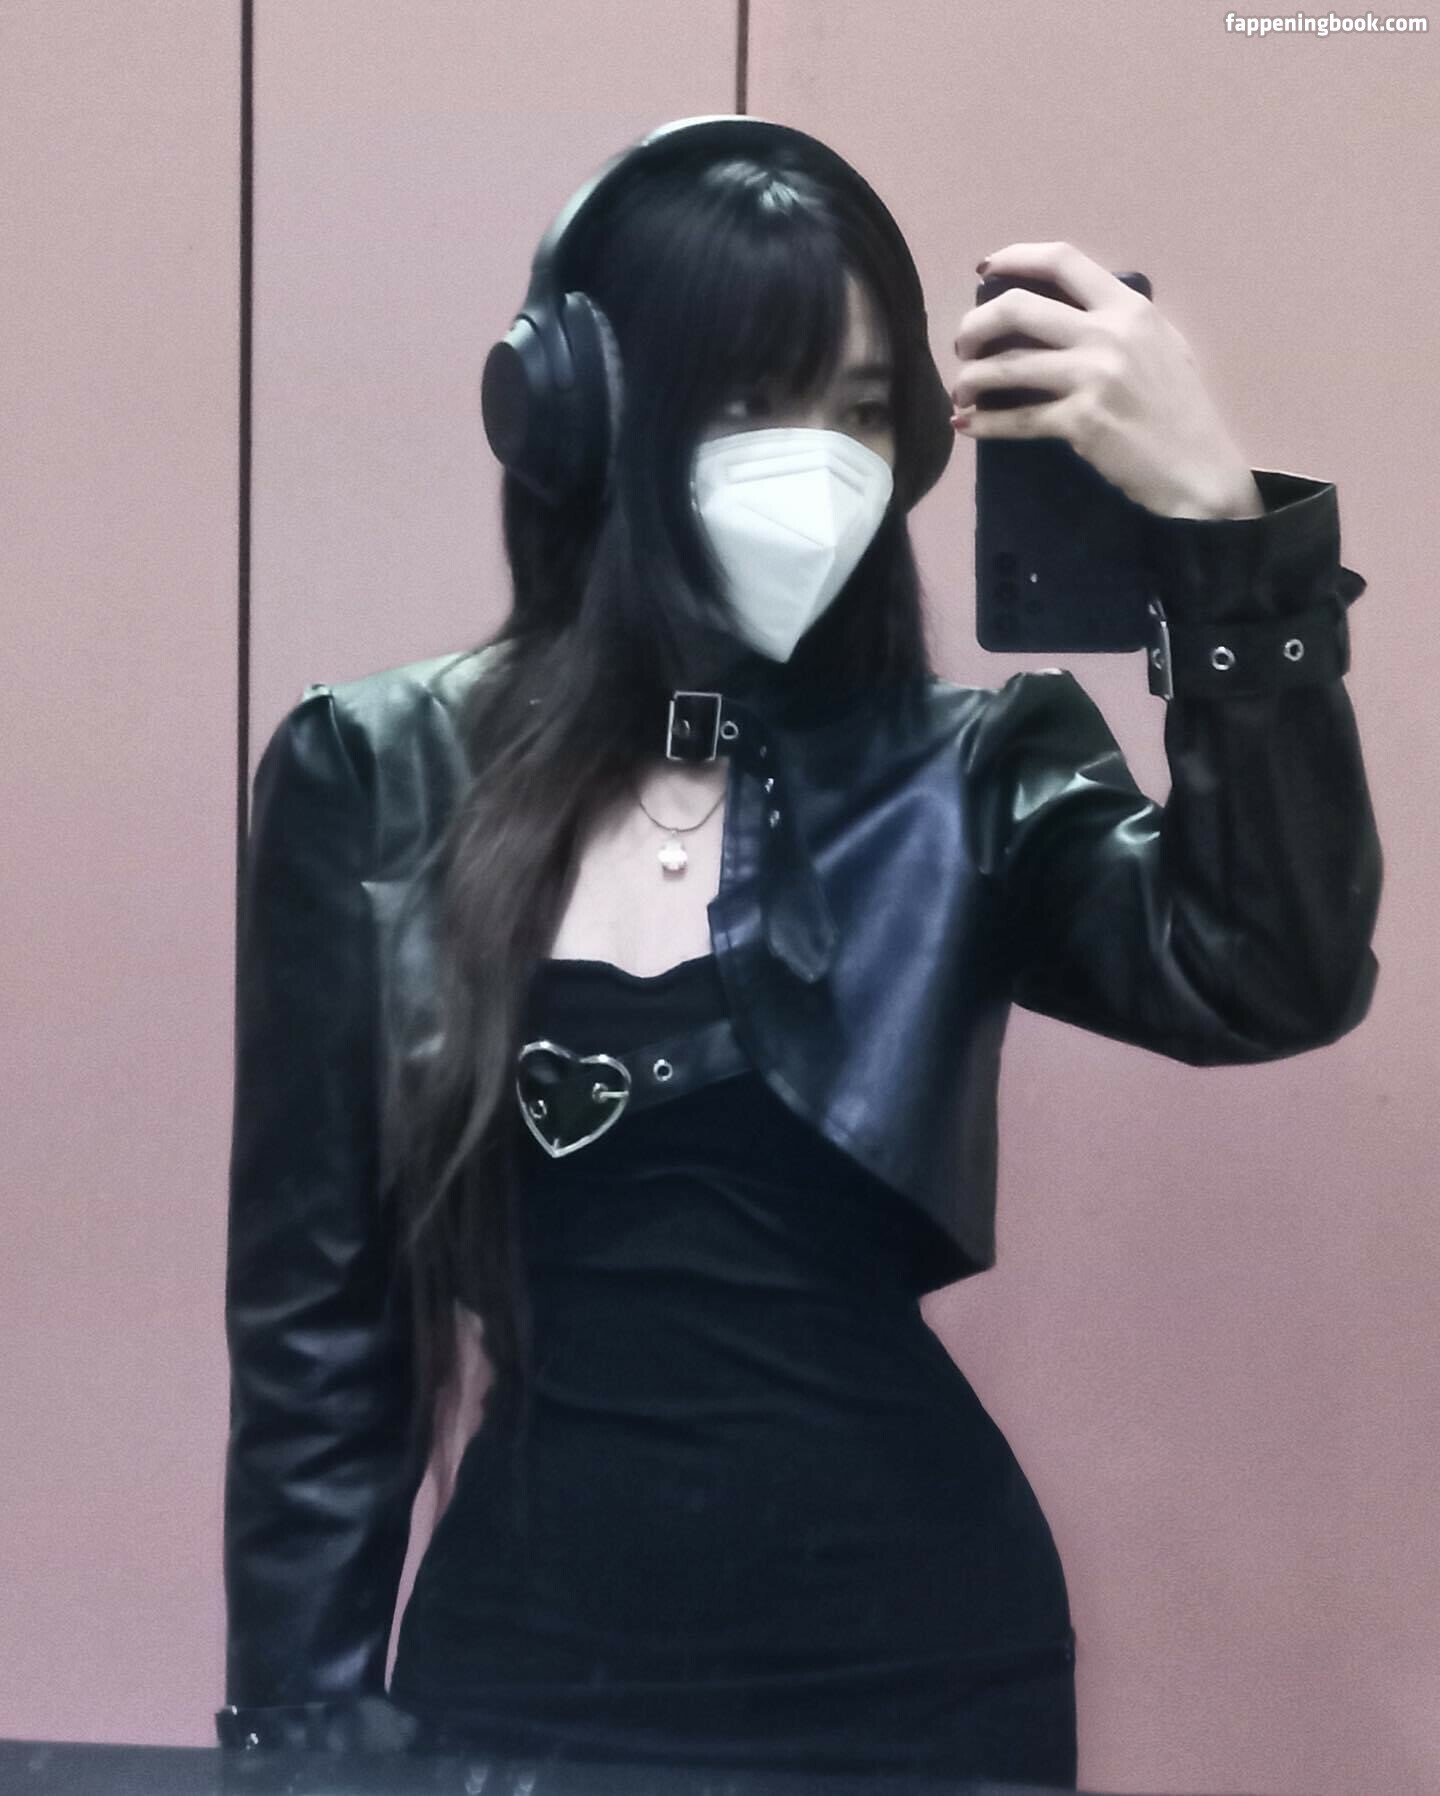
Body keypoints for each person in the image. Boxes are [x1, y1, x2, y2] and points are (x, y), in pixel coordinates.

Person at [214, 118, 1382, 1787]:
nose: (819, 464)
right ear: (590, 416)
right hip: (522, 1673)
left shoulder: (976, 772)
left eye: (861, 410)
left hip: (918, 1672)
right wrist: (295, 1727)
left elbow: (1271, 969)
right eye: (754, 400)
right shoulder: (376, 773)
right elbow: (317, 1326)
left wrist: (1222, 536)